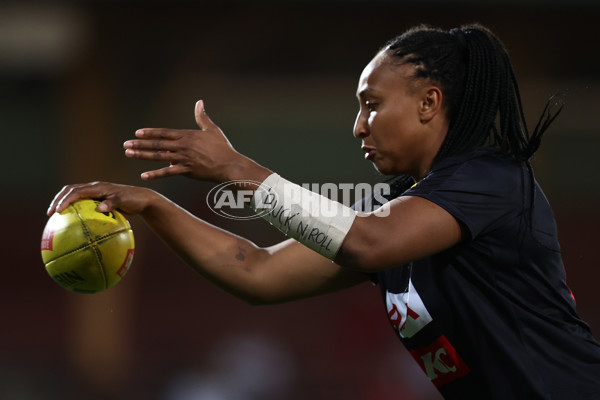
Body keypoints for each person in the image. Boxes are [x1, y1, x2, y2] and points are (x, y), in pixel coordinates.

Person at [47, 24, 600, 399]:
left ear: (430, 103)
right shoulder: (395, 212)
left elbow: (368, 243)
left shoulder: (492, 180)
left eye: (372, 103)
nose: (359, 126)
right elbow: (255, 271)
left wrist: (241, 171)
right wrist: (153, 205)